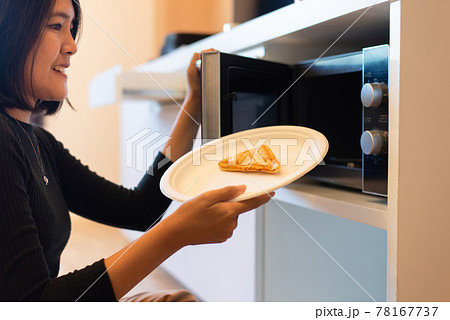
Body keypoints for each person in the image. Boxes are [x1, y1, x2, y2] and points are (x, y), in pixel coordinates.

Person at [0, 0, 273, 301]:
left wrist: (195, 101)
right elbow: (32, 302)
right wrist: (175, 233)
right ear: (10, 31)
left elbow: (139, 208)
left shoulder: (38, 143)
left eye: (71, 28)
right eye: (56, 25)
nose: (71, 46)